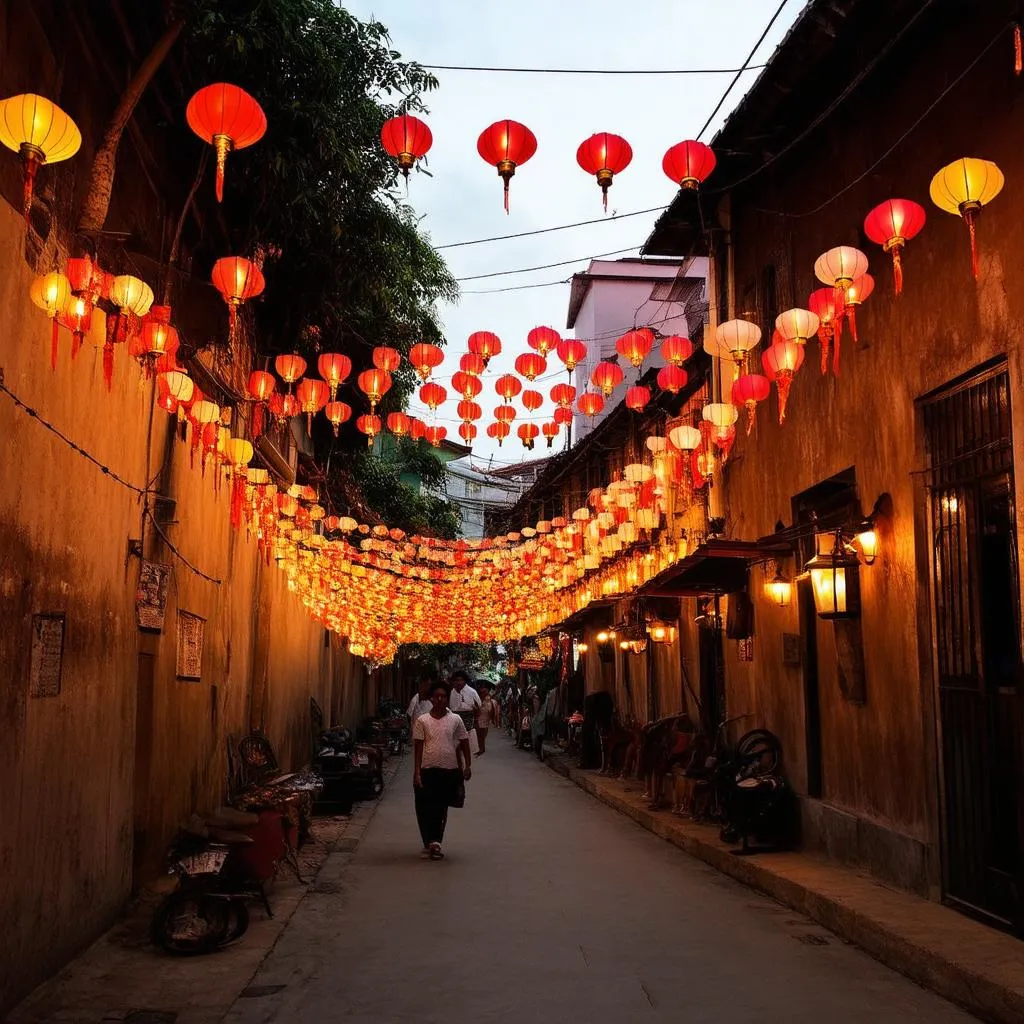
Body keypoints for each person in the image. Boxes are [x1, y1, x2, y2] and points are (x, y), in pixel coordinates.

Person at [412, 682, 472, 860]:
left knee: (441, 806)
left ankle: (436, 841)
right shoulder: (422, 720)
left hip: (449, 769)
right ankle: (427, 841)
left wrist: (467, 765)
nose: (440, 699)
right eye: (436, 696)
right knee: (424, 807)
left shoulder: (455, 720)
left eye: (443, 696)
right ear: (431, 698)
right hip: (426, 769)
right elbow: (418, 748)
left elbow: (464, 742)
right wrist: (417, 772)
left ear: (447, 699)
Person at [448, 669, 481, 741]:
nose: (459, 682)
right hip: (454, 721)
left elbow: (478, 707)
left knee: (468, 743)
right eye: (456, 680)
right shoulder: (451, 692)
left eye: (461, 680)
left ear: (465, 680)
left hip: (468, 721)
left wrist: (476, 719)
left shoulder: (472, 692)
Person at [474, 681, 498, 756]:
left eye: (485, 691)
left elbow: (492, 711)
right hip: (479, 718)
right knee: (479, 734)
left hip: (486, 718)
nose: (483, 692)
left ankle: (481, 747)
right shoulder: (478, 698)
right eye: (482, 690)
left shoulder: (491, 701)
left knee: (483, 734)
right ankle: (480, 748)